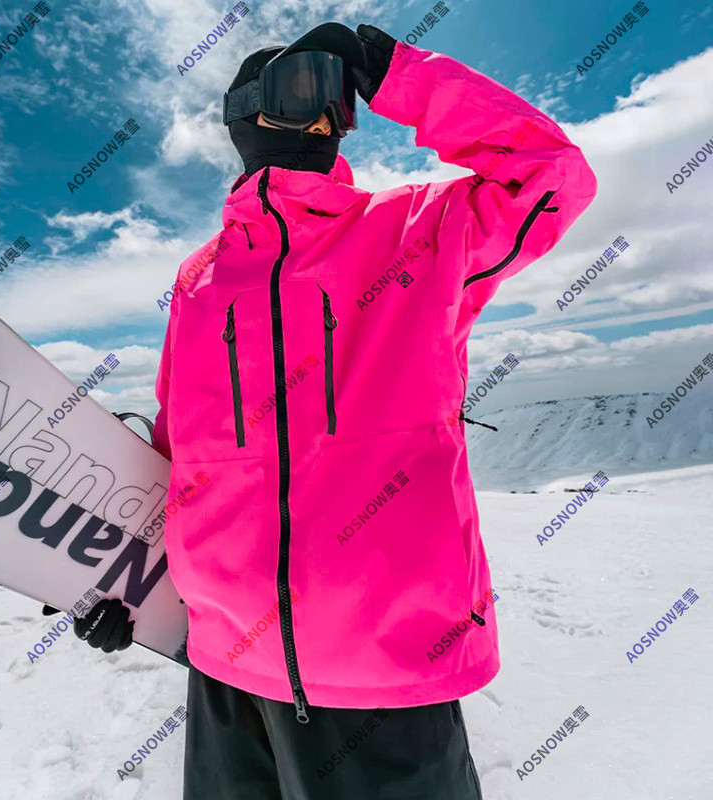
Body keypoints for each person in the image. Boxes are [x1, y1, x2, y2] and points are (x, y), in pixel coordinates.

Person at [68, 21, 597, 799]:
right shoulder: (200, 280)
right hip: (225, 666)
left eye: (338, 103)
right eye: (299, 94)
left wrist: (398, 74)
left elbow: (549, 174)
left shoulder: (419, 232)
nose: (323, 120)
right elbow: (179, 455)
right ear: (245, 116)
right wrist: (125, 587)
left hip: (382, 669)